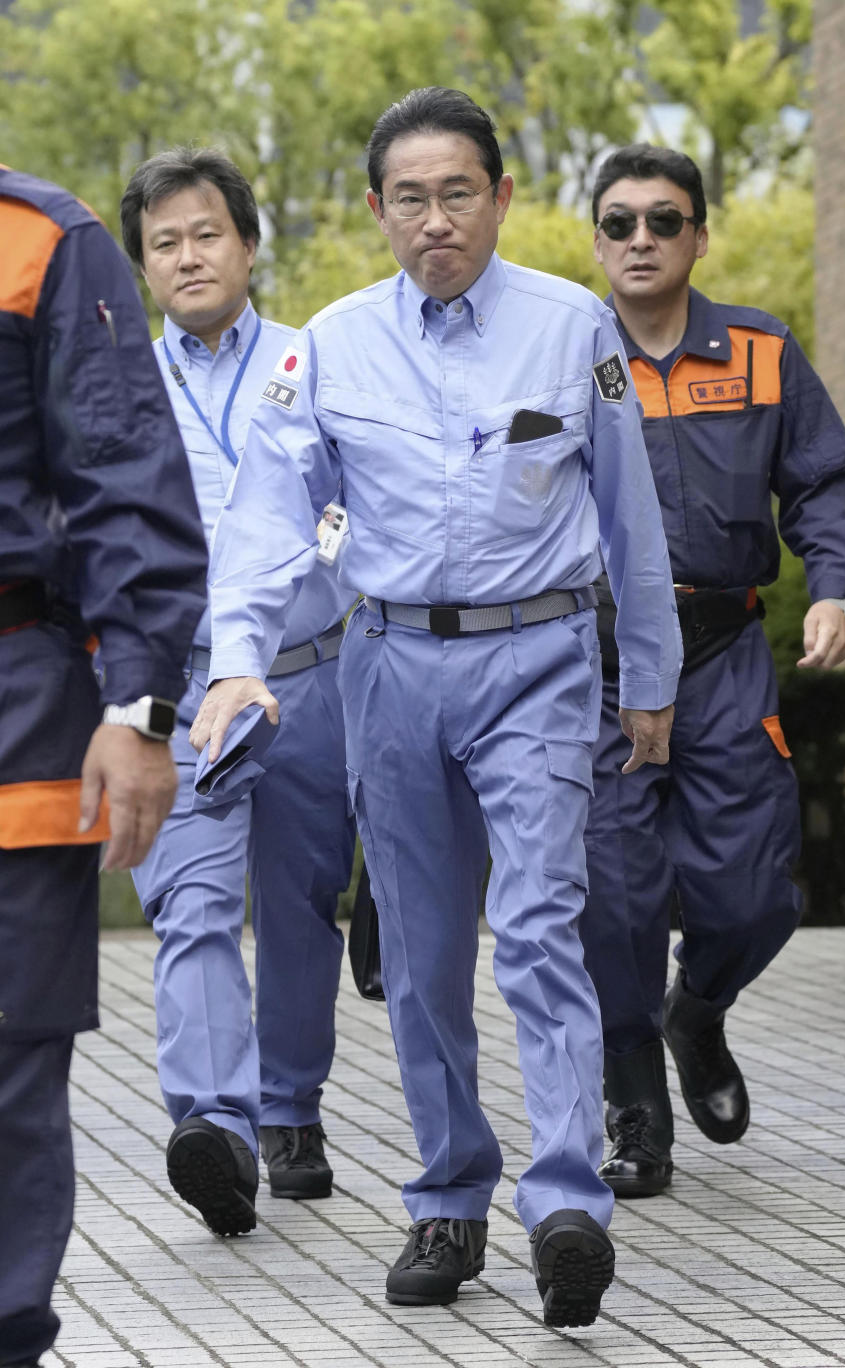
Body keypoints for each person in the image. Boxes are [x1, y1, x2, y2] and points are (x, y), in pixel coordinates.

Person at [190, 88, 682, 1327]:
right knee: (416, 955)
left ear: (502, 198)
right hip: (389, 666)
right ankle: (450, 1197)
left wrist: (655, 682)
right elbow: (264, 513)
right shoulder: (333, 347)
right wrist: (239, 655)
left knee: (536, 925)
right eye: (408, 198)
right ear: (376, 211)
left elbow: (631, 519)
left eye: (458, 192)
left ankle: (567, 1200)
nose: (434, 220)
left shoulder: (575, 330)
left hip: (541, 657)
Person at [580, 143, 845, 1200]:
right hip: (601, 666)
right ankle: (633, 1103)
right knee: (610, 896)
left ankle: (695, 1014)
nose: (642, 240)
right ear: (596, 239)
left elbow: (827, 484)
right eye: (620, 223)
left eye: (664, 221)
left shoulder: (759, 350)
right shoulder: (567, 356)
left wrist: (836, 589)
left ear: (699, 235)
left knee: (756, 894)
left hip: (722, 654)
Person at [118, 148, 356, 1236]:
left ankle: (290, 1106)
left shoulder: (321, 362)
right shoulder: (117, 383)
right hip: (181, 693)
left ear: (250, 245)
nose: (188, 256)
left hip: (309, 680)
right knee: (194, 906)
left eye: (206, 233)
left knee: (304, 906)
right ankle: (212, 1126)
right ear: (144, 268)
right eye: (164, 243)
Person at [0, 167, 207, 1368]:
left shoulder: (44, 240)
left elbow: (127, 480)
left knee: (9, 1077)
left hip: (16, 709)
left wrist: (139, 706)